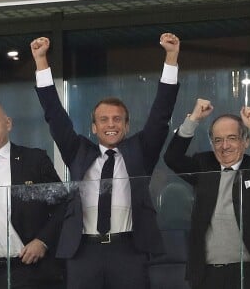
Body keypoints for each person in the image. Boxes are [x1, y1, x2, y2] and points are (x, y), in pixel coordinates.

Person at [30, 32, 180, 289]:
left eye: (117, 119)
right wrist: (41, 61)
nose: (111, 124)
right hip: (82, 252)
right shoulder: (79, 151)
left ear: (127, 125)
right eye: (104, 120)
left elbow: (161, 114)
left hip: (128, 251)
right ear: (94, 127)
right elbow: (54, 115)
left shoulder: (140, 151)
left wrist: (171, 57)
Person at [164, 98, 250, 289]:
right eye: (218, 140)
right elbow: (172, 158)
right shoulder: (203, 165)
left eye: (232, 138)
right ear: (212, 144)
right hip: (209, 274)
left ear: (245, 141)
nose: (224, 146)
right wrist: (194, 118)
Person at [0, 101, 64, 288]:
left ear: (8, 123)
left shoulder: (34, 160)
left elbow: (64, 205)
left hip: (28, 271)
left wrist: (43, 241)